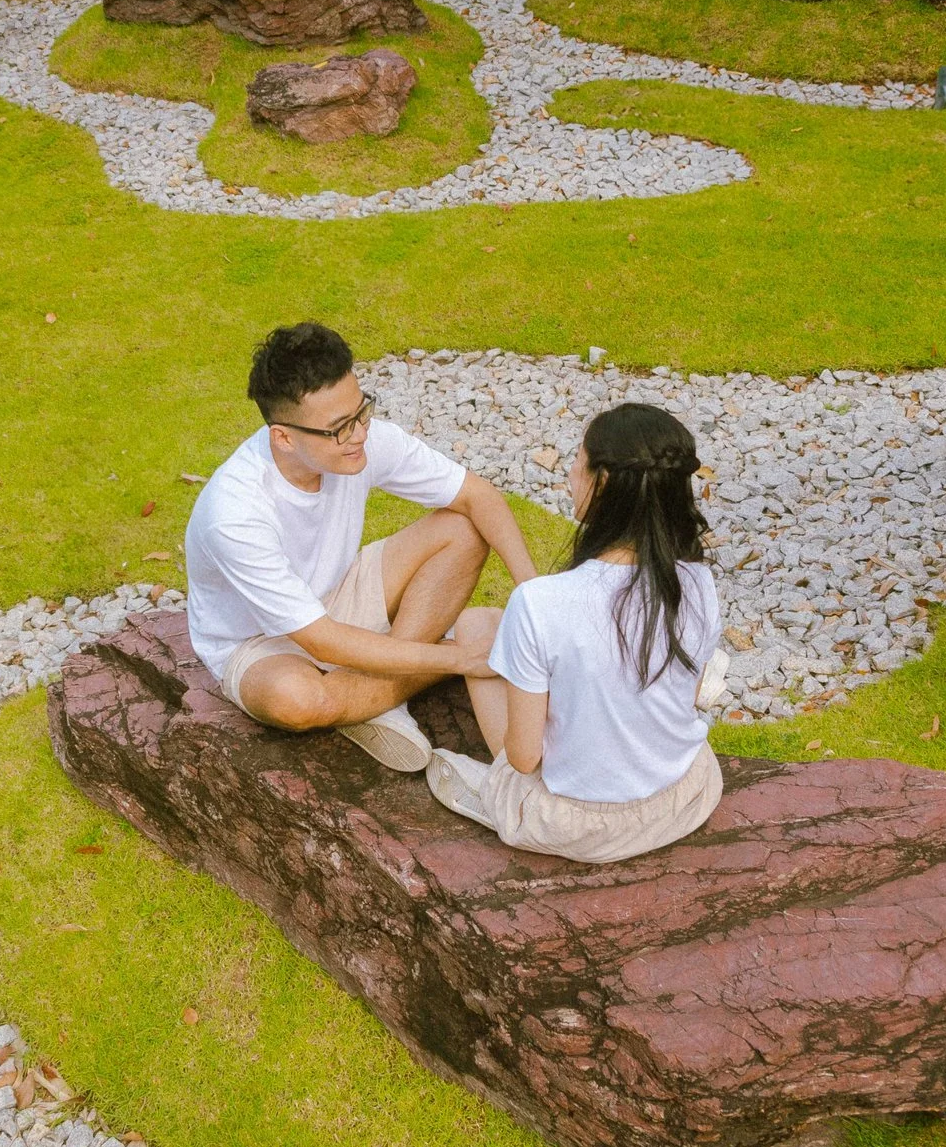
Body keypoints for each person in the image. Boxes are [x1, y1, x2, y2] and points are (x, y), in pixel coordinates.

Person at [184, 322, 540, 772]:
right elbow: (321, 640)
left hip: (339, 590)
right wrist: (460, 658)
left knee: (465, 528)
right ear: (284, 437)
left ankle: (368, 697)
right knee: (297, 701)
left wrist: (535, 596)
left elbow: (478, 496)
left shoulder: (360, 440)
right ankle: (389, 692)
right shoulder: (234, 514)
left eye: (361, 412)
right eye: (338, 429)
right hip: (260, 641)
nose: (358, 435)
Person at [428, 402, 728, 864]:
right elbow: (683, 703)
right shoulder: (696, 582)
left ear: (602, 481)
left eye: (577, 461)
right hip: (683, 798)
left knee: (495, 671)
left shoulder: (541, 603)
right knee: (476, 623)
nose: (569, 473)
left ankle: (488, 794)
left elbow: (526, 758)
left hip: (576, 827)